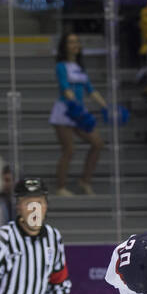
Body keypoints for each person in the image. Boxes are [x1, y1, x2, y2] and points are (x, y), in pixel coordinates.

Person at [50, 32, 107, 196]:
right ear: (64, 46)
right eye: (70, 42)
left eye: (76, 42)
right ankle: (61, 186)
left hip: (79, 111)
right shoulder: (61, 66)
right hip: (66, 111)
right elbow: (64, 87)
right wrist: (74, 102)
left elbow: (90, 89)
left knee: (97, 143)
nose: (74, 45)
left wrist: (106, 106)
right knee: (69, 149)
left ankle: (85, 180)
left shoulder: (81, 68)